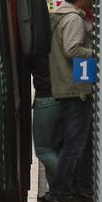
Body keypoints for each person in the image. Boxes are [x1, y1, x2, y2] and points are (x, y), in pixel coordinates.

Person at [41, 0, 95, 202]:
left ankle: (78, 189)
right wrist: (98, 51)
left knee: (76, 144)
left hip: (67, 88)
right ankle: (61, 192)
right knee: (74, 146)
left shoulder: (61, 17)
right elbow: (73, 50)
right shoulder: (73, 19)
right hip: (76, 90)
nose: (93, 1)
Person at [28, 52, 63, 188]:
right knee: (54, 148)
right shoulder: (55, 41)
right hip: (61, 98)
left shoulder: (38, 47)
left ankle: (66, 182)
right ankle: (55, 189)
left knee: (43, 150)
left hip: (45, 100)